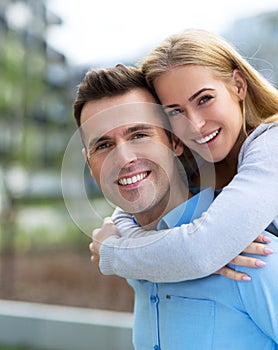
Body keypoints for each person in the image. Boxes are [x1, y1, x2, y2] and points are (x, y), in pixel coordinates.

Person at [74, 65, 278, 349]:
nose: (123, 159)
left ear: (174, 141)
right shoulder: (136, 256)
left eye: (138, 135)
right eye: (104, 145)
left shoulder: (251, 255)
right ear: (90, 164)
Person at [91, 29, 278, 283]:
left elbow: (200, 253)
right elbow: (129, 212)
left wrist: (112, 253)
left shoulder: (272, 147)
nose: (196, 124)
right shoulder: (193, 160)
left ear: (238, 85)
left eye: (204, 99)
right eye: (175, 112)